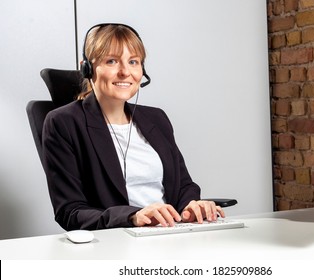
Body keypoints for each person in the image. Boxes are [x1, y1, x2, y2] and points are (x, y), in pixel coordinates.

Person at [42, 23, 225, 231]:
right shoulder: (63, 123)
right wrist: (133, 216)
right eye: (111, 61)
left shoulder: (156, 118)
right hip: (118, 242)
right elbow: (70, 212)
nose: (125, 72)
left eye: (133, 62)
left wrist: (191, 205)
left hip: (173, 234)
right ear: (87, 68)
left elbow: (184, 185)